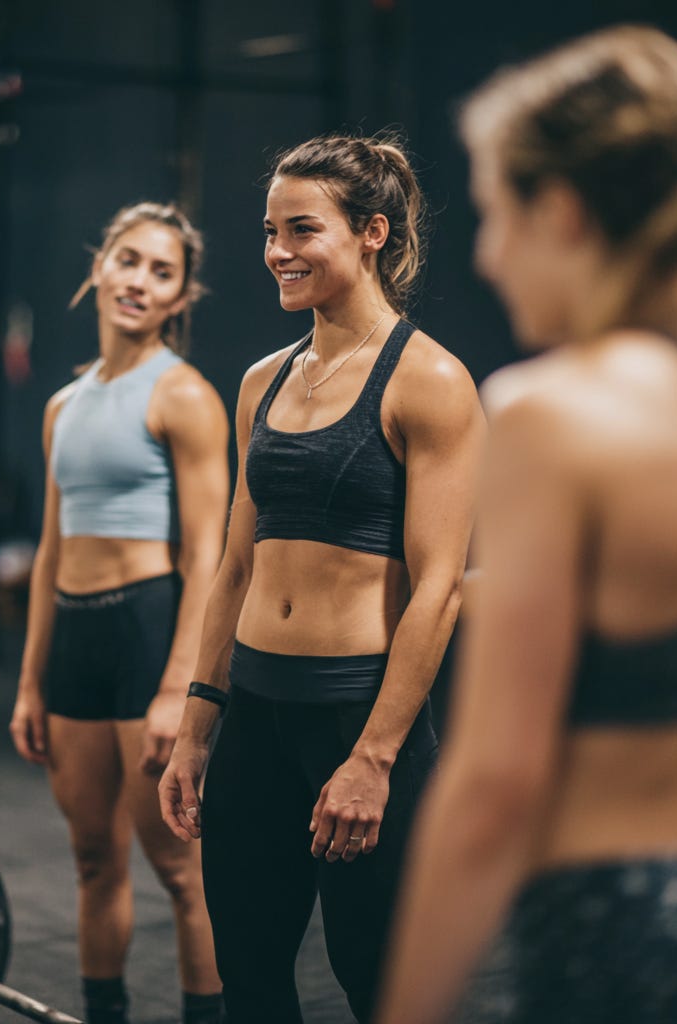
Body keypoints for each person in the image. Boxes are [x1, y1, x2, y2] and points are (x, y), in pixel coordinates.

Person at [378, 25, 677, 1024]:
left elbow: (495, 787)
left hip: (620, 939)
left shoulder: (555, 414)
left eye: (497, 216)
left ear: (564, 212)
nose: (490, 257)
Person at [159, 135, 485, 1024]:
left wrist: (373, 760)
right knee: (250, 978)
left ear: (373, 232)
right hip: (255, 715)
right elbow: (235, 566)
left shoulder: (430, 381)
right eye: (270, 231)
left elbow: (439, 589)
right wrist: (196, 728)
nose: (278, 251)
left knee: (380, 983)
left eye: (303, 229)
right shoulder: (262, 382)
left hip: (357, 716)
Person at [9, 202, 229, 1024]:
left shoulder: (184, 395)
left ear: (181, 297)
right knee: (93, 860)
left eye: (161, 272)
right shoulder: (62, 406)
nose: (139, 280)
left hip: (147, 631)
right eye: (128, 260)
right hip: (74, 634)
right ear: (100, 265)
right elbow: (49, 552)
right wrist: (30, 683)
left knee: (179, 872)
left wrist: (180, 691)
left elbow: (208, 557)